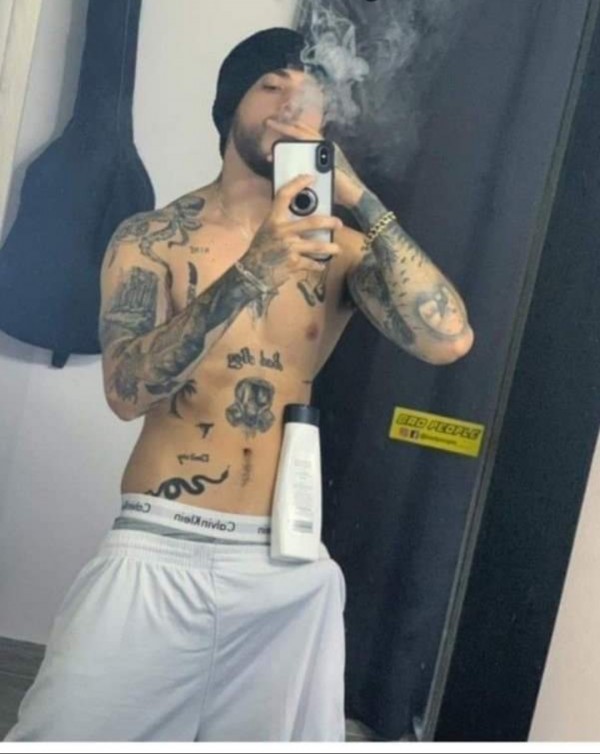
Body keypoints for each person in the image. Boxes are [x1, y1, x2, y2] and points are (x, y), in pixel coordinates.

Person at [4, 27, 474, 742]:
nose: (291, 105)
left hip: (282, 560)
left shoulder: (341, 250)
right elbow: (126, 390)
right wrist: (254, 269)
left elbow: (448, 338)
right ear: (231, 105)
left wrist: (358, 195)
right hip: (160, 542)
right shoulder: (153, 238)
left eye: (309, 93)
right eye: (272, 86)